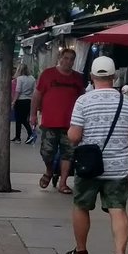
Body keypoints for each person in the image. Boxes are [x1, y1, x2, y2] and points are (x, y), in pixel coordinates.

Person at [65, 57, 128, 254]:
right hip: (118, 167)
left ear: (91, 77)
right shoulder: (127, 103)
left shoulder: (83, 101)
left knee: (81, 206)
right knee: (118, 210)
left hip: (89, 167)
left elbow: (75, 136)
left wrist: (70, 132)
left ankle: (80, 252)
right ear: (114, 76)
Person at [32, 48, 84, 194]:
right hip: (50, 122)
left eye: (71, 59)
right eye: (65, 58)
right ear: (60, 58)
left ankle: (63, 183)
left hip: (71, 123)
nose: (68, 62)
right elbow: (37, 95)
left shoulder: (77, 78)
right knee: (47, 152)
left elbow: (82, 98)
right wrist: (33, 114)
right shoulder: (48, 74)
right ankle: (49, 171)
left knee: (69, 153)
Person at [12, 64, 37, 143]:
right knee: (24, 119)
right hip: (29, 101)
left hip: (20, 100)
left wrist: (14, 101)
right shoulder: (32, 78)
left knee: (19, 119)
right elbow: (34, 90)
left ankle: (19, 137)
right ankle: (24, 135)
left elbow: (18, 91)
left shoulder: (19, 79)